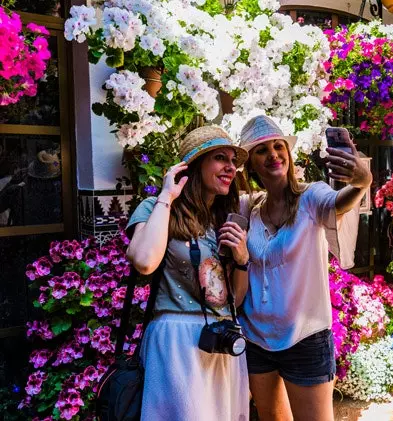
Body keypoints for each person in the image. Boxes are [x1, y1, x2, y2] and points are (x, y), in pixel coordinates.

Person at [238, 116, 372, 421]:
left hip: (305, 338)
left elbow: (341, 202)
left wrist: (362, 182)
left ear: (288, 153)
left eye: (277, 146)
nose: (273, 154)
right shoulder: (251, 210)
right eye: (261, 150)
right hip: (257, 339)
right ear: (250, 165)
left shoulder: (311, 197)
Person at [126, 126, 251, 421]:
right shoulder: (156, 208)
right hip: (175, 342)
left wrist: (242, 259)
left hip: (221, 341)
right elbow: (144, 261)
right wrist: (167, 196)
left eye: (233, 160)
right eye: (220, 158)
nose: (231, 167)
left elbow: (235, 299)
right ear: (194, 166)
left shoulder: (224, 219)